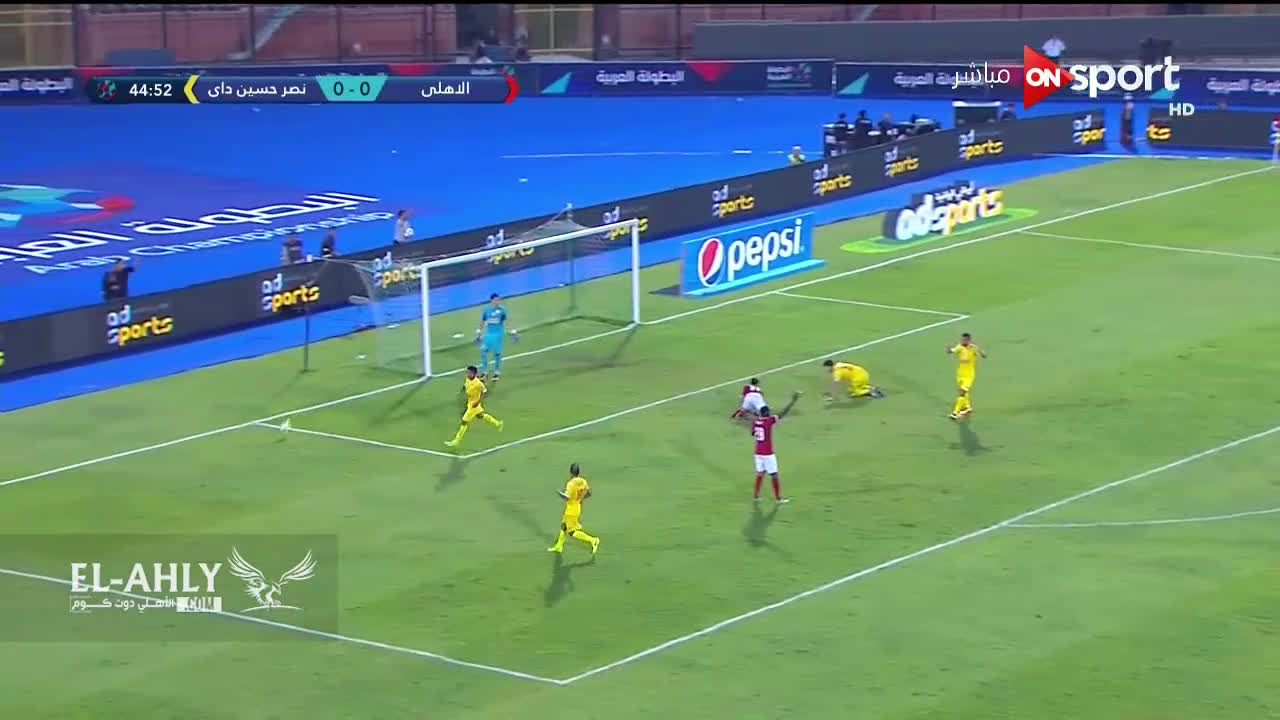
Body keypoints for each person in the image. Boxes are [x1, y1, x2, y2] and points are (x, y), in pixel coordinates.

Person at [751, 393, 798, 504]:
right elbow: (782, 414)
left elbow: (753, 433)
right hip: (767, 453)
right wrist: (792, 402)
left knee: (760, 473)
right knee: (774, 475)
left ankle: (756, 496)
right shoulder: (768, 421)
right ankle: (778, 499)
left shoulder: (755, 422)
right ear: (767, 413)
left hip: (758, 452)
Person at [445, 365, 503, 448]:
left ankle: (456, 441)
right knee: (480, 415)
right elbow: (465, 386)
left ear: (473, 373)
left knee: (464, 422)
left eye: (469, 372)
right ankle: (498, 423)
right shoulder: (467, 379)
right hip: (470, 403)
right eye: (467, 372)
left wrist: (478, 401)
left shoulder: (478, 383)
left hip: (474, 405)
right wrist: (462, 391)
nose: (467, 374)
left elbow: (484, 391)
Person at [548, 463, 600, 555]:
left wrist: (560, 494)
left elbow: (567, 497)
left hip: (571, 510)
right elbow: (589, 493)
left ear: (571, 472)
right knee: (564, 526)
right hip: (577, 507)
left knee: (572, 532)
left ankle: (593, 540)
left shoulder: (570, 483)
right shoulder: (583, 481)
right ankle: (559, 546)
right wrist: (580, 499)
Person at [475, 292, 517, 380]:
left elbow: (506, 322)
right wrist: (479, 333)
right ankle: (484, 372)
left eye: (499, 300)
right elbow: (482, 322)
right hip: (489, 335)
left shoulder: (502, 311)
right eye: (496, 300)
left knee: (497, 354)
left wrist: (512, 332)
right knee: (483, 351)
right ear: (491, 301)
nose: (498, 302)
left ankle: (496, 373)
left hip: (498, 335)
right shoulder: (486, 311)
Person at [947, 332, 987, 420]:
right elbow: (952, 351)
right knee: (963, 392)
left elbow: (984, 355)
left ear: (969, 340)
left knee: (962, 393)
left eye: (964, 340)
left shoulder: (973, 348)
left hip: (969, 375)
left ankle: (955, 412)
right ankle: (967, 407)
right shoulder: (959, 347)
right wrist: (949, 350)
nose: (962, 341)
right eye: (962, 339)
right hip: (960, 374)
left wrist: (979, 350)